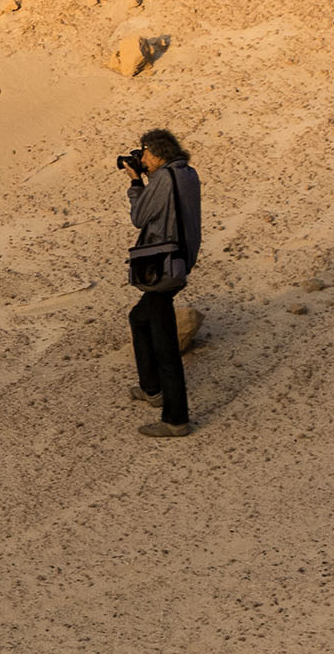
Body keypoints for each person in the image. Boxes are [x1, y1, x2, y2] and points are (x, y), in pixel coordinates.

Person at [121, 128, 202, 438]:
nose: (142, 160)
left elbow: (140, 217)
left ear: (157, 154)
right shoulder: (187, 174)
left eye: (144, 155)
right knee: (138, 318)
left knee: (165, 344)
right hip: (180, 260)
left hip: (163, 267)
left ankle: (176, 419)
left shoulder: (166, 178)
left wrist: (134, 182)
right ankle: (151, 388)